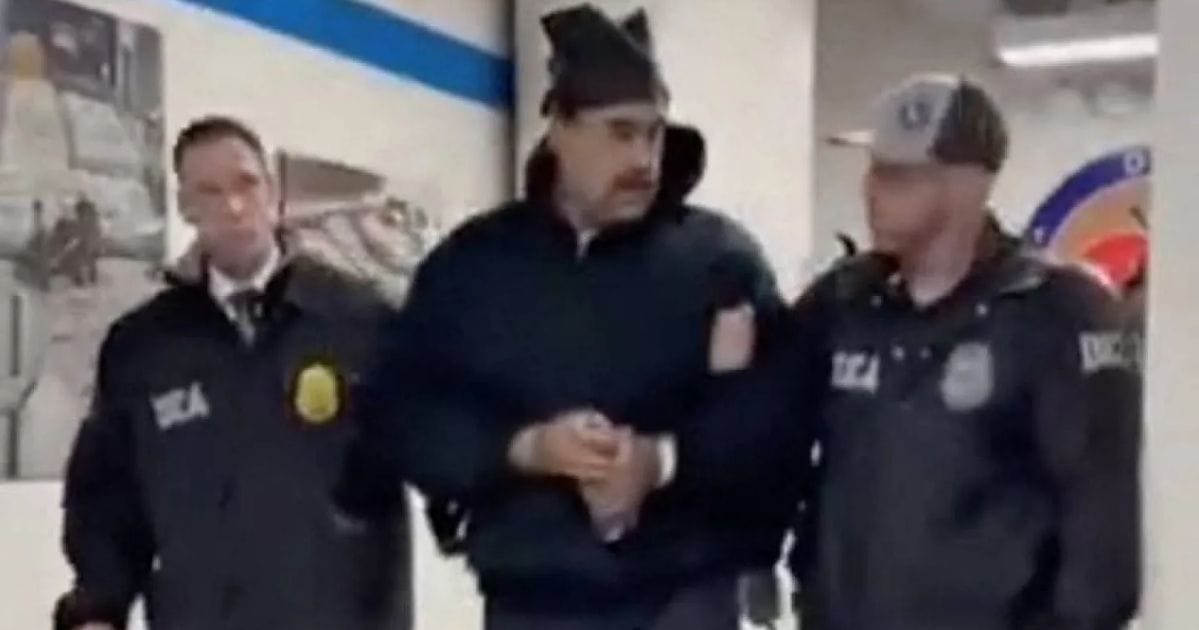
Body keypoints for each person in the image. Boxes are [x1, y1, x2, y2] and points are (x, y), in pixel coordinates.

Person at [336, 5, 806, 630]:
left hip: (683, 598)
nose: (644, 158)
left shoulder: (719, 262)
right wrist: (523, 448)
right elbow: (404, 413)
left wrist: (660, 459)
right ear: (560, 128)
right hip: (532, 598)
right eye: (620, 133)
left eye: (653, 133)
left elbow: (776, 418)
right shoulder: (474, 267)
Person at [785, 74, 1142, 630]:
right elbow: (763, 429)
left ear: (966, 186)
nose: (871, 190)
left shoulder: (1055, 312)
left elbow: (1101, 543)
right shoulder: (844, 302)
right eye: (874, 169)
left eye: (898, 176)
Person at [54, 116, 411, 630]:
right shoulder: (143, 347)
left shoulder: (360, 321)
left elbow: (443, 446)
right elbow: (107, 496)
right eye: (211, 191)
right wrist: (97, 607)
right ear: (186, 208)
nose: (235, 207)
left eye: (247, 184)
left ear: (274, 194)